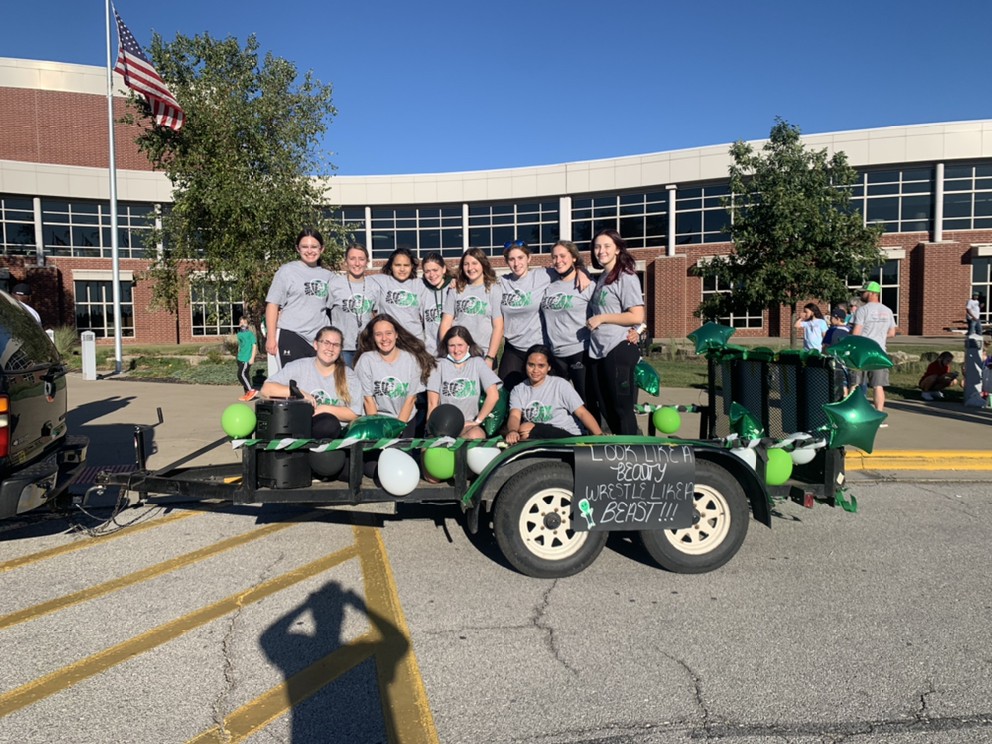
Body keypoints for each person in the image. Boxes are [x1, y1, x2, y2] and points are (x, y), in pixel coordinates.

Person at [585, 228, 645, 436]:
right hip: (599, 350)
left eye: (607, 246)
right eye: (597, 246)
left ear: (618, 249)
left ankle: (631, 453)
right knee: (605, 406)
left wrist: (602, 318)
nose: (601, 251)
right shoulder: (602, 277)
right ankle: (616, 452)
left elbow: (637, 315)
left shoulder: (625, 276)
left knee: (622, 407)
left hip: (618, 347)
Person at [260, 326, 362, 438]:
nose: (330, 348)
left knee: (328, 424)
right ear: (315, 344)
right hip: (299, 430)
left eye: (336, 345)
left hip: (333, 435)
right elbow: (266, 389)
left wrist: (324, 409)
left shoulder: (349, 375)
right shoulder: (298, 366)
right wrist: (298, 392)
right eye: (326, 342)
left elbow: (354, 413)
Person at [354, 314, 435, 438]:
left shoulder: (411, 360)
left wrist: (397, 429)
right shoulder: (366, 360)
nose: (384, 338)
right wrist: (378, 431)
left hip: (404, 418)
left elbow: (411, 399)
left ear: (396, 334)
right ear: (373, 337)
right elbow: (368, 400)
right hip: (376, 420)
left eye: (388, 333)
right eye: (378, 334)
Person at [505, 345, 602, 444]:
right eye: (531, 365)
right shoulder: (518, 390)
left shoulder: (561, 384)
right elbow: (515, 416)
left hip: (569, 435)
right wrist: (512, 431)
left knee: (525, 429)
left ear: (549, 367)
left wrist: (599, 436)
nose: (535, 370)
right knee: (521, 431)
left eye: (541, 365)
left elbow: (582, 413)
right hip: (540, 435)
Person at [264, 229, 334, 367]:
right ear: (298, 248)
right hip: (291, 335)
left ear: (322, 249)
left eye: (314, 247)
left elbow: (334, 307)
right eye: (305, 247)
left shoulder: (328, 276)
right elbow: (272, 304)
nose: (310, 251)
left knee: (317, 384)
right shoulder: (287, 271)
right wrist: (270, 338)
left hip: (319, 338)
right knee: (292, 384)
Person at [540, 240, 594, 399]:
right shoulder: (548, 286)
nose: (558, 261)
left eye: (563, 256)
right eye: (555, 257)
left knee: (585, 400)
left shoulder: (587, 285)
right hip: (555, 354)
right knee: (557, 401)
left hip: (580, 351)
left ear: (574, 258)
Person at [427, 326, 502, 439]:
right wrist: (430, 429)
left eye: (460, 345)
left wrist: (478, 421)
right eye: (452, 346)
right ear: (446, 347)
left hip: (467, 424)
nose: (456, 350)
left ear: (468, 345)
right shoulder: (438, 365)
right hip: (443, 425)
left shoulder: (477, 363)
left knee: (476, 435)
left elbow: (493, 395)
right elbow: (432, 403)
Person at [438, 248, 503, 369]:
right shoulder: (456, 289)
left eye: (474, 263)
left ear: (483, 264)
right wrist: (448, 352)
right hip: (459, 354)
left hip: (483, 354)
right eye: (466, 264)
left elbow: (498, 326)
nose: (470, 268)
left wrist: (490, 357)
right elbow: (446, 323)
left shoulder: (494, 289)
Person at [498, 240, 550, 391]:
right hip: (513, 347)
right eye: (512, 259)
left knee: (540, 391)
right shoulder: (502, 282)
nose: (516, 263)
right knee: (506, 390)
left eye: (520, 258)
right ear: (507, 262)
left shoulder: (543, 276)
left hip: (538, 346)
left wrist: (582, 272)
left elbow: (567, 268)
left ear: (529, 258)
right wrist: (454, 281)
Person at [327, 244, 378, 367]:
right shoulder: (335, 284)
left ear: (367, 261)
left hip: (366, 347)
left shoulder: (374, 286)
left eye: (361, 259)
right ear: (346, 261)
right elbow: (324, 312)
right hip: (342, 347)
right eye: (352, 258)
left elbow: (376, 315)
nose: (357, 263)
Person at [852, 280, 897, 413]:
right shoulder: (888, 310)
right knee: (878, 386)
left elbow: (856, 333)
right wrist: (880, 336)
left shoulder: (862, 310)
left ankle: (853, 411)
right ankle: (879, 414)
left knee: (855, 384)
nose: (862, 294)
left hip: (863, 352)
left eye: (864, 292)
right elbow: (892, 333)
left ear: (872, 293)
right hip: (879, 352)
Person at [374, 248, 426, 340]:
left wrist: (452, 281)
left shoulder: (420, 284)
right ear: (391, 266)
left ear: (412, 267)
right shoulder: (381, 281)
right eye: (397, 265)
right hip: (389, 340)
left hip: (414, 340)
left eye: (406, 265)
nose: (402, 269)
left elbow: (440, 283)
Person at [420, 253, 453, 357]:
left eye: (435, 270)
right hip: (430, 353)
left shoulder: (454, 287)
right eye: (427, 271)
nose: (431, 274)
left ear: (443, 269)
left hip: (454, 352)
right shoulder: (421, 290)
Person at [235, 316, 258, 401]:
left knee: (241, 374)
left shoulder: (250, 334)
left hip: (246, 358)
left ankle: (251, 391)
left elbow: (254, 346)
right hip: (240, 358)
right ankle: (247, 393)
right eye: (241, 322)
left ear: (247, 324)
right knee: (246, 375)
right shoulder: (239, 334)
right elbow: (240, 345)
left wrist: (252, 358)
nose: (242, 324)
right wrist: (237, 355)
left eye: (244, 322)